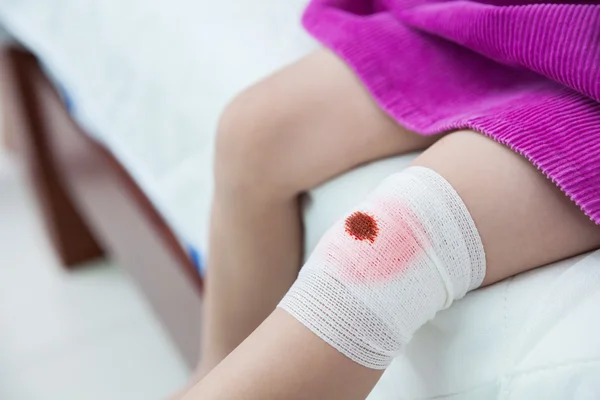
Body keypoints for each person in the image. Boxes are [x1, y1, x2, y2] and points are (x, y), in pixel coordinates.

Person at [174, 1, 600, 398]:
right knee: (253, 132)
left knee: (386, 244)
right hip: (490, 23)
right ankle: (214, 369)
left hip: (588, 69)